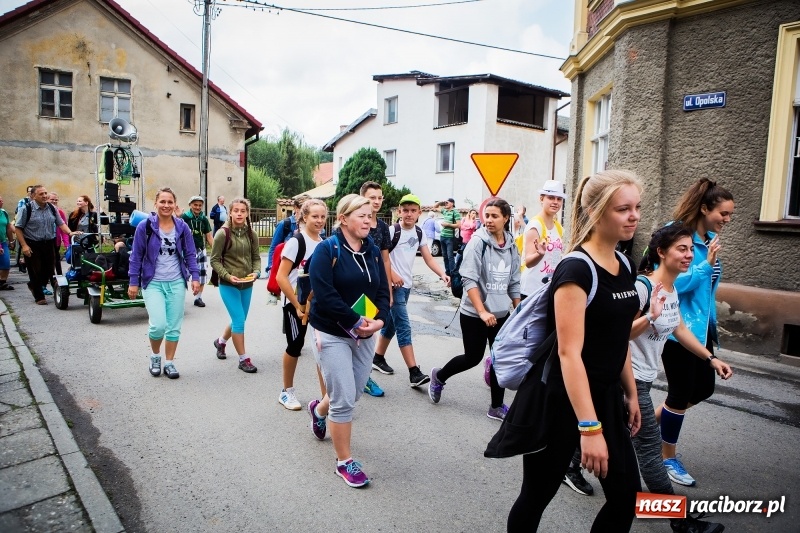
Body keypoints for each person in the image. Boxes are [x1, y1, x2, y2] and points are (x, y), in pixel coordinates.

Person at [504, 169, 644, 532]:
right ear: (597, 213)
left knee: (626, 497)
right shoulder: (576, 270)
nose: (634, 216)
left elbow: (619, 338)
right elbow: (569, 354)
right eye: (623, 209)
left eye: (637, 207)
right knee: (536, 496)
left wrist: (630, 393)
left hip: (607, 398)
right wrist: (590, 428)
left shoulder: (624, 263)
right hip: (565, 404)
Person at [629, 224, 730, 533]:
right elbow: (616, 334)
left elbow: (680, 330)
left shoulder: (671, 290)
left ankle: (571, 462)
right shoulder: (643, 287)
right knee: (649, 453)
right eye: (681, 249)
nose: (689, 255)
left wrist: (711, 359)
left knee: (618, 436)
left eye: (690, 249)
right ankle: (681, 523)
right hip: (626, 382)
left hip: (643, 379)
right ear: (661, 252)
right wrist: (650, 316)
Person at [655, 179, 735, 487]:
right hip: (677, 329)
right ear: (705, 208)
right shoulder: (677, 234)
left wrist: (713, 326)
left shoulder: (710, 238)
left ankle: (639, 427)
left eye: (730, 215)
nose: (726, 220)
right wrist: (705, 265)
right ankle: (666, 457)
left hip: (703, 329)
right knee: (680, 393)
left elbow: (709, 290)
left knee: (703, 389)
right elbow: (671, 283)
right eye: (723, 214)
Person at [306, 194, 390, 488]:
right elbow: (325, 295)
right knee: (343, 400)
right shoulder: (326, 250)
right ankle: (344, 461)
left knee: (351, 393)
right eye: (362, 215)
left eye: (370, 215)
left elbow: (382, 291)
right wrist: (356, 322)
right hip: (331, 332)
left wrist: (379, 320)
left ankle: (317, 410)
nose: (369, 220)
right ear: (343, 219)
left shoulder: (372, 250)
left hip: (365, 331)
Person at [428, 198, 520, 420]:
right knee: (473, 357)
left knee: (499, 357)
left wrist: (518, 312)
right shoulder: (477, 242)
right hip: (474, 313)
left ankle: (496, 406)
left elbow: (514, 282)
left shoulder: (511, 245)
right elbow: (469, 279)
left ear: (506, 218)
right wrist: (481, 311)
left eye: (494, 216)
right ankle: (439, 377)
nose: (488, 220)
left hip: (500, 313)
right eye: (486, 215)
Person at [373, 194, 450, 388]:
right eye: (405, 210)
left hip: (406, 286)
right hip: (393, 286)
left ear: (419, 213)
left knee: (390, 324)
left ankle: (377, 357)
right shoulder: (392, 231)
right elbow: (380, 259)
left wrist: (442, 273)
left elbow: (429, 258)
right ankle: (414, 372)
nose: (409, 214)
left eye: (413, 210)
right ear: (399, 212)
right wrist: (393, 274)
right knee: (404, 325)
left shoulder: (419, 232)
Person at [127, 187, 200, 379]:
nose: (166, 205)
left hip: (176, 281)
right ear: (156, 204)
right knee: (158, 325)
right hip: (153, 282)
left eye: (170, 202)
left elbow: (190, 254)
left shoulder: (182, 227)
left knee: (174, 326)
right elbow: (136, 256)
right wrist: (133, 281)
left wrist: (195, 277)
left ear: (175, 205)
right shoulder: (145, 227)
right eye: (162, 202)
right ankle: (155, 356)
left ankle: (169, 362)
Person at [275, 198, 328, 409]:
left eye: (323, 216)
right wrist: (297, 304)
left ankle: (327, 398)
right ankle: (286, 392)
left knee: (322, 349)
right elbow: (281, 277)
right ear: (304, 217)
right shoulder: (296, 242)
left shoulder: (325, 243)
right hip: (294, 303)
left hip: (317, 303)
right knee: (295, 345)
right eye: (315, 216)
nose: (319, 220)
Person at [210, 198, 261, 374]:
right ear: (230, 212)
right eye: (236, 210)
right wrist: (227, 276)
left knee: (238, 319)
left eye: (243, 211)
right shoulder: (222, 234)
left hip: (247, 283)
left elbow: (256, 258)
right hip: (228, 283)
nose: (239, 214)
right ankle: (243, 359)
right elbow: (214, 260)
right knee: (239, 321)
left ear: (247, 213)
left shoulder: (251, 234)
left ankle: (221, 342)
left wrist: (256, 272)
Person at [14, 185, 77, 305]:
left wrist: (70, 232)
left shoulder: (52, 208)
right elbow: (18, 228)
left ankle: (33, 285)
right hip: (32, 243)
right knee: (35, 270)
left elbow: (61, 223)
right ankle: (39, 296)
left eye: (45, 193)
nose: (44, 196)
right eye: (41, 194)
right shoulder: (26, 209)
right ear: (33, 196)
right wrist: (24, 246)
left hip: (49, 243)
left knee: (49, 269)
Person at [360, 182, 393, 397]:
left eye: (380, 197)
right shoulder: (357, 224)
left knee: (370, 332)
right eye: (372, 197)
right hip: (356, 287)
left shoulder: (381, 227)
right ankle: (358, 375)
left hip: (375, 287)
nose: (377, 201)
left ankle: (364, 375)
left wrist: (388, 289)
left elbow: (385, 259)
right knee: (356, 331)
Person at [520, 180, 566, 299]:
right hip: (531, 291)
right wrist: (540, 254)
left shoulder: (558, 227)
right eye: (551, 198)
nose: (555, 202)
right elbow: (529, 262)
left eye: (559, 199)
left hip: (549, 288)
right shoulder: (535, 225)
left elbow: (555, 259)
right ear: (541, 199)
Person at [180, 196, 214, 308]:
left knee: (202, 273)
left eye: (200, 205)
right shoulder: (184, 217)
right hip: (186, 250)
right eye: (195, 205)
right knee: (182, 274)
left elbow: (209, 236)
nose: (198, 207)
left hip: (200, 249)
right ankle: (179, 298)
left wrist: (216, 251)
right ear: (190, 205)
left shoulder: (203, 219)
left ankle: (198, 298)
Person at [266, 196, 307, 273]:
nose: (304, 213)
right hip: (284, 269)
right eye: (302, 209)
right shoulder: (285, 224)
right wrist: (271, 269)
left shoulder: (313, 226)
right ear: (295, 208)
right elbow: (273, 247)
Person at [436, 198, 461, 278]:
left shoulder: (455, 212)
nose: (446, 204)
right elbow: (435, 207)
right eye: (445, 203)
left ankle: (453, 273)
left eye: (447, 202)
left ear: (452, 204)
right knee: (444, 256)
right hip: (442, 236)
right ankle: (447, 273)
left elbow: (458, 225)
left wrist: (448, 225)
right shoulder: (445, 211)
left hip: (449, 237)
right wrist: (441, 201)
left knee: (450, 256)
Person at [14, 185, 34, 272]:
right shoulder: (23, 201)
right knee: (21, 246)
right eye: (29, 191)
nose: (31, 193)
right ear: (27, 192)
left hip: (33, 228)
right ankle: (21, 262)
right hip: (23, 226)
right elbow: (19, 213)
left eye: (32, 191)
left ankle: (25, 262)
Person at [49, 192, 68, 278]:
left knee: (56, 257)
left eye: (56, 200)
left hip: (56, 239)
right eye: (52, 199)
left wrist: (66, 243)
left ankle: (59, 275)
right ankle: (50, 275)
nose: (54, 201)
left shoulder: (60, 212)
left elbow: (64, 228)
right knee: (49, 258)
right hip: (46, 239)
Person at [0, 195, 14, 290]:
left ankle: (2, 283)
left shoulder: (4, 212)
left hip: (3, 241)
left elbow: (8, 227)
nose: (1, 202)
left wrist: (11, 241)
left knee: (5, 263)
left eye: (1, 200)